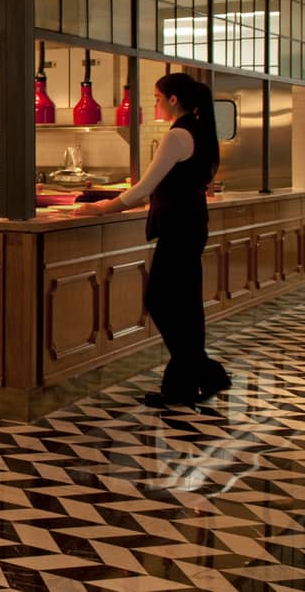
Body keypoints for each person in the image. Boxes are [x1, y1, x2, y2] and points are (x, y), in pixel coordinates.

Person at [72, 73, 229, 408]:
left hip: (179, 226)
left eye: (158, 97)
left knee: (161, 300)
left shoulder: (178, 135)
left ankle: (203, 372)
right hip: (190, 223)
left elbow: (145, 187)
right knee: (184, 305)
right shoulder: (200, 130)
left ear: (173, 99)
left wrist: (102, 209)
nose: (155, 103)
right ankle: (186, 383)